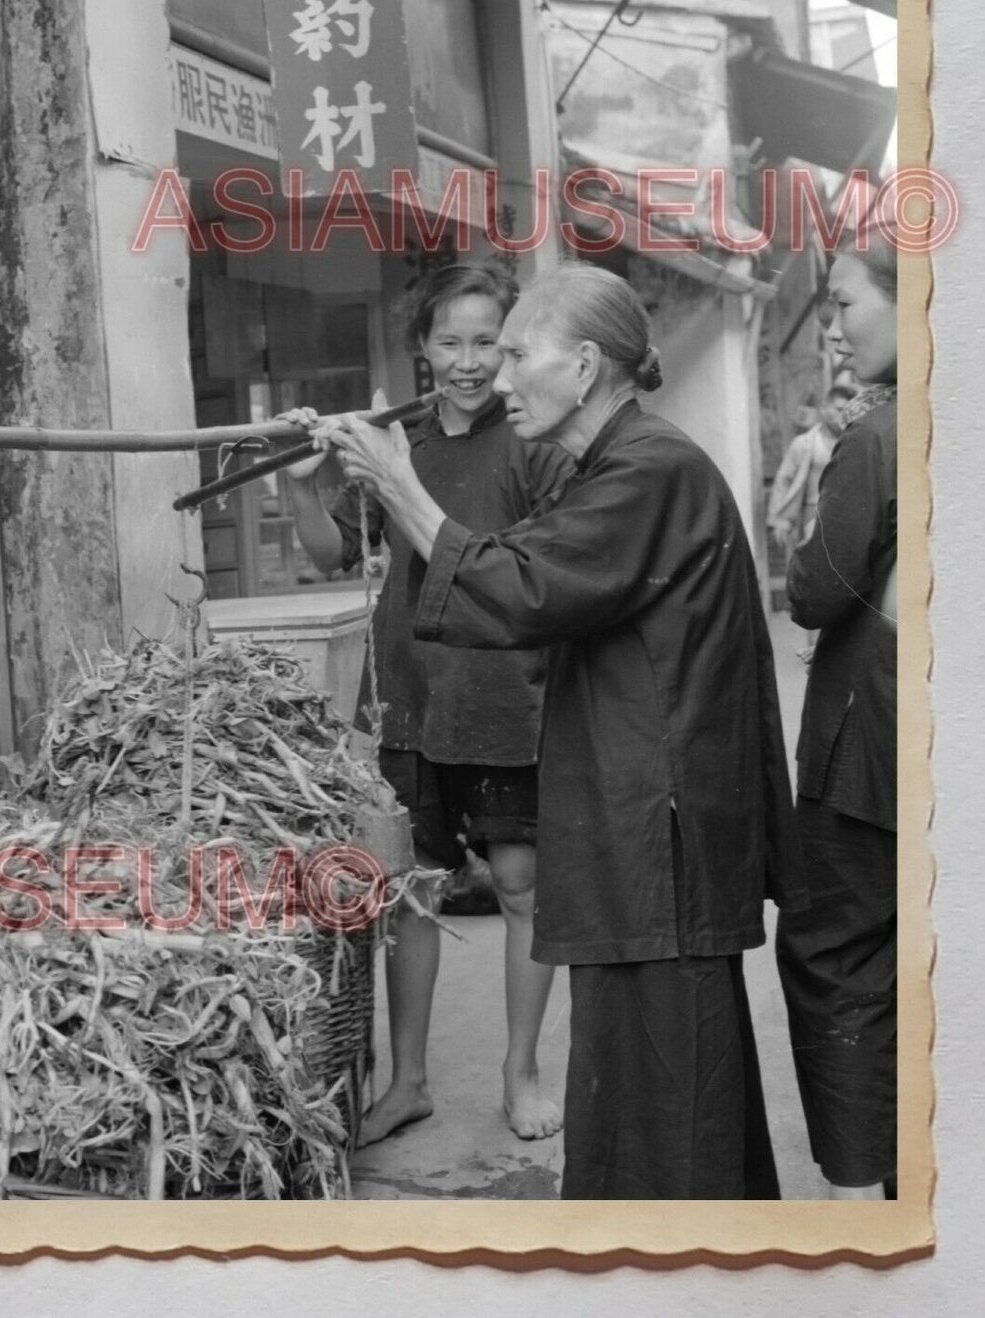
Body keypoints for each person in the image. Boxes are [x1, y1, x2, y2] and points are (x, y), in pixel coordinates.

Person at [311, 262, 806, 1198]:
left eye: (514, 353)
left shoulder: (650, 471)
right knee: (640, 1084)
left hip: (657, 834)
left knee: (673, 1086)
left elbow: (522, 586)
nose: (495, 378)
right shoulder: (612, 464)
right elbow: (521, 559)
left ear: (583, 367)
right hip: (634, 824)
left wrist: (399, 482)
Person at [282, 259, 572, 1146]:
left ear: (511, 348)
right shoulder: (392, 439)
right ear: (421, 349)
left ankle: (519, 1072)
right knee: (410, 893)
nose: (469, 361)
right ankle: (407, 1081)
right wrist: (300, 484)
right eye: (450, 341)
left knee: (522, 888)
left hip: (510, 695)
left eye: (487, 341)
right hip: (409, 696)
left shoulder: (533, 440)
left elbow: (546, 578)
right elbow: (332, 555)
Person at [774, 230, 898, 1200]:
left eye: (846, 302)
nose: (833, 327)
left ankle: (859, 1193)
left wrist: (804, 529)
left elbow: (813, 593)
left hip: (869, 747)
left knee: (836, 956)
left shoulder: (873, 436)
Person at [767, 386, 853, 567]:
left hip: (847, 516)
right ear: (824, 408)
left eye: (848, 411)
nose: (843, 416)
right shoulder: (804, 444)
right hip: (812, 515)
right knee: (813, 568)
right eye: (838, 410)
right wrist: (780, 521)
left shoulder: (854, 443)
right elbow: (784, 480)